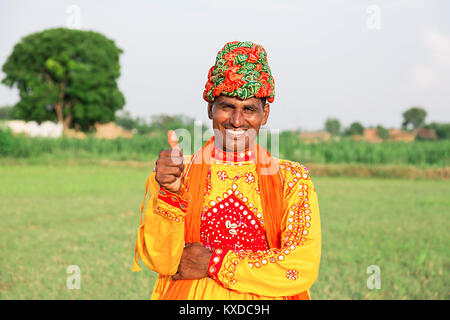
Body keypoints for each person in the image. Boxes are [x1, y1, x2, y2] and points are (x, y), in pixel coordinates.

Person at [132, 41, 321, 300]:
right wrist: (170, 193)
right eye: (227, 106)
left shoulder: (292, 179)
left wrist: (214, 262)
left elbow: (299, 267)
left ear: (264, 114)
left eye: (249, 109)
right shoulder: (176, 172)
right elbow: (163, 262)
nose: (236, 120)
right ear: (211, 109)